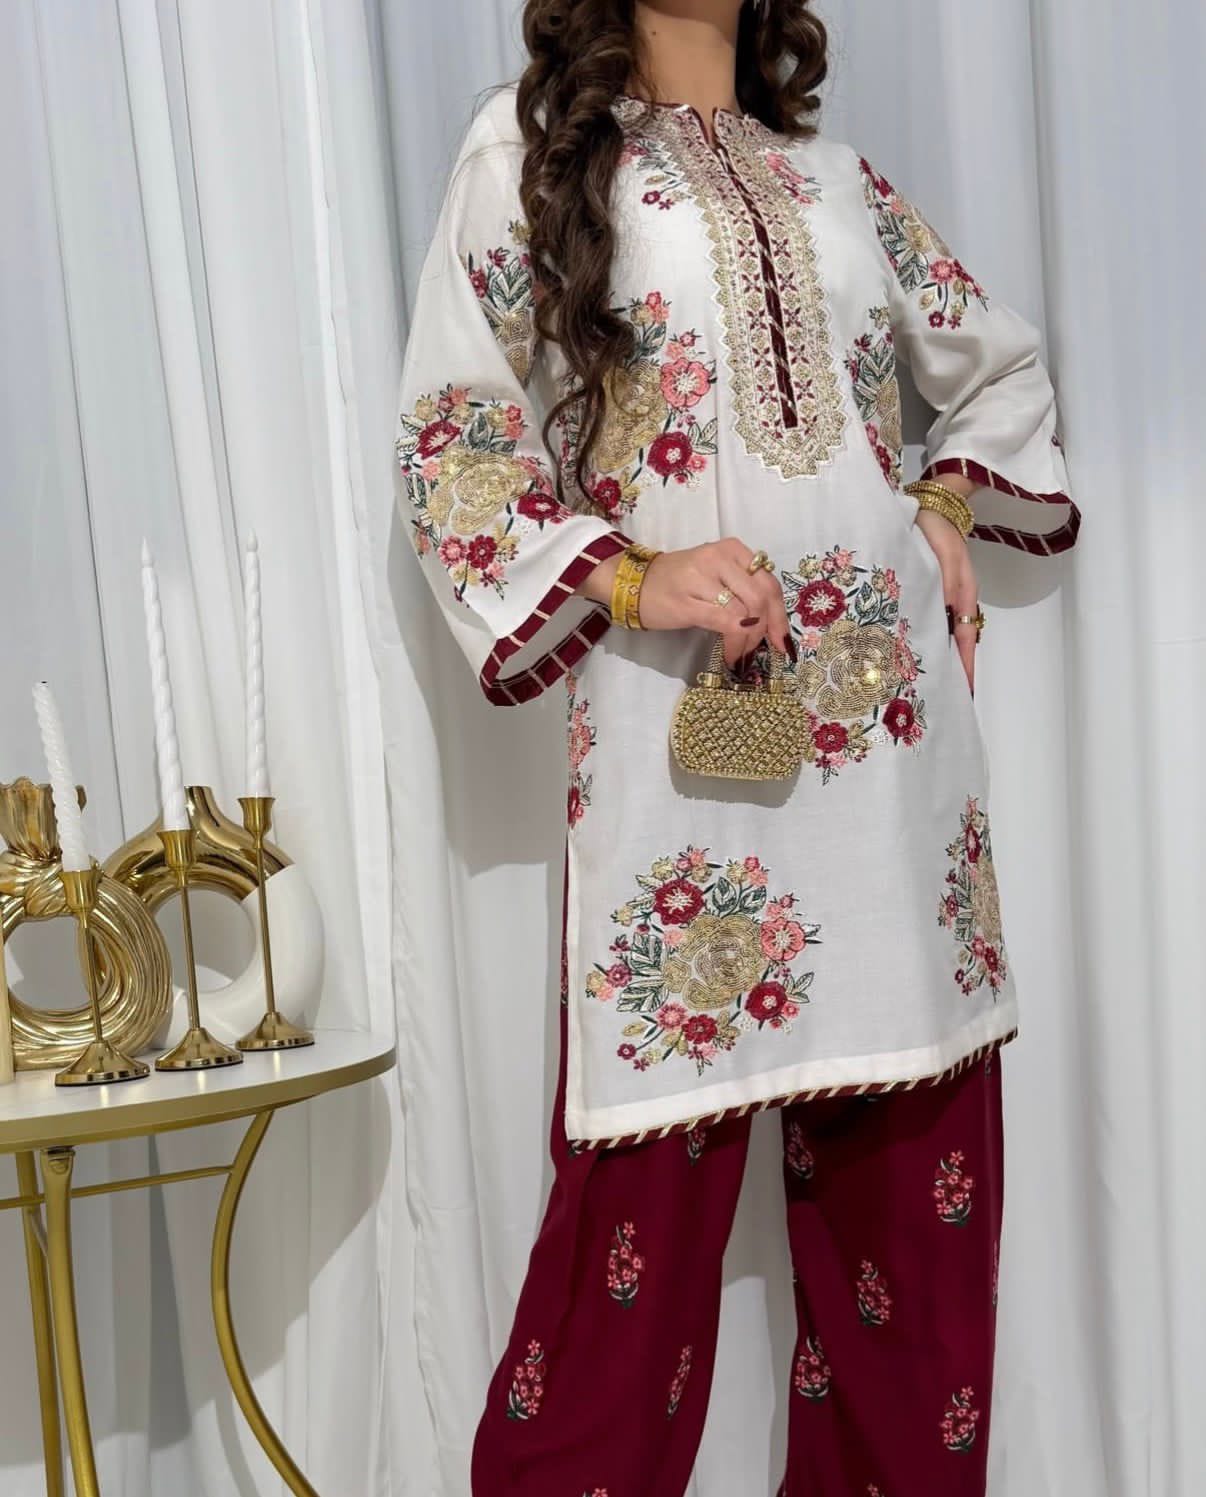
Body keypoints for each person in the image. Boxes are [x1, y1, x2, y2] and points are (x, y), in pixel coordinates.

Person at [394, 2, 1078, 1492]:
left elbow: (1002, 371)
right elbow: (453, 433)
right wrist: (633, 577)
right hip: (679, 759)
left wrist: (942, 507)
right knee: (622, 1276)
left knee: (915, 1282)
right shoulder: (529, 155)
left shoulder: (833, 178)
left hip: (890, 767)